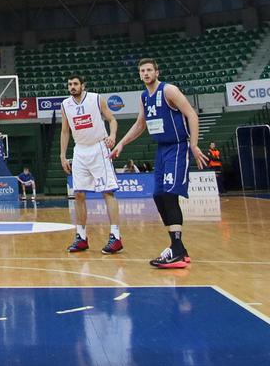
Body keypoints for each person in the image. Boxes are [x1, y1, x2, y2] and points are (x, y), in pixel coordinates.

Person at [111, 58, 206, 269]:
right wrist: (121, 144)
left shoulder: (169, 90)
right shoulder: (144, 96)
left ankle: (177, 250)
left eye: (148, 70)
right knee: (158, 195)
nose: (145, 73)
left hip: (177, 146)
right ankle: (177, 247)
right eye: (142, 71)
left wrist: (194, 144)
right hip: (162, 150)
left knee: (169, 195)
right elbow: (140, 124)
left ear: (156, 71)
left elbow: (191, 114)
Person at [59, 75, 122, 254]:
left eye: (75, 84)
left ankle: (116, 236)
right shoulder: (65, 105)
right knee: (78, 193)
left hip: (98, 147)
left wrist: (112, 136)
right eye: (70, 84)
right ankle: (81, 237)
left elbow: (112, 120)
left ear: (82, 86)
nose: (72, 86)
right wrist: (63, 155)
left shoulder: (96, 98)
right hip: (80, 150)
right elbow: (65, 131)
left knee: (107, 191)